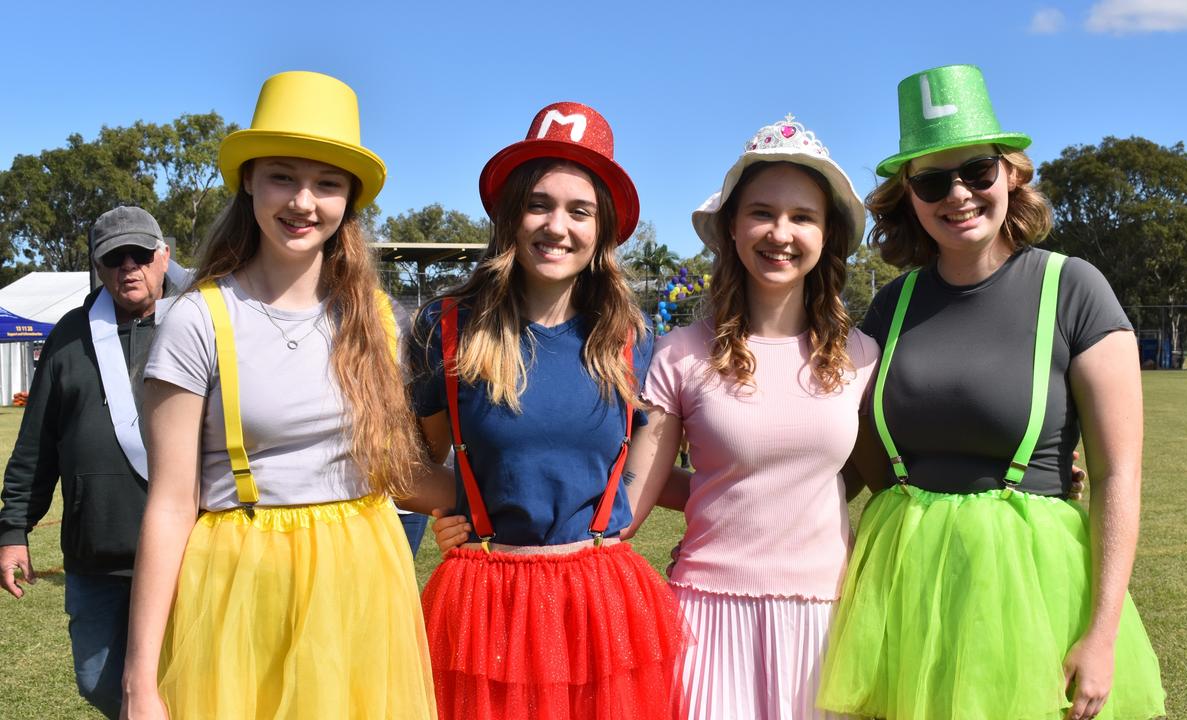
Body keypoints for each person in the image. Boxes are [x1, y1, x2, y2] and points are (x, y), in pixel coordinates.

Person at [817, 64, 1165, 720]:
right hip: (903, 584)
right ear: (909, 195)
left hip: (1028, 591)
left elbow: (1119, 475)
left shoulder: (1074, 288)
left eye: (976, 171)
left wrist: (1103, 633)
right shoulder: (893, 305)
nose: (958, 195)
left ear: (1010, 174)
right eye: (931, 180)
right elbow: (850, 446)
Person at [119, 71, 436, 719]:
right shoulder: (198, 320)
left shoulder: (376, 317)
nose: (303, 201)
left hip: (363, 582)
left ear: (349, 199)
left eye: (327, 183)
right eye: (283, 176)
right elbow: (171, 505)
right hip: (241, 588)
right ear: (249, 183)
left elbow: (395, 472)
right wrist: (139, 682)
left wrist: (486, 501)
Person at [410, 101, 687, 720]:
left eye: (579, 210)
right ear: (511, 217)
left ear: (603, 228)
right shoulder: (447, 328)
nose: (556, 226)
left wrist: (626, 518)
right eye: (539, 204)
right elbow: (419, 459)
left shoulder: (628, 338)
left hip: (599, 601)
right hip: (486, 604)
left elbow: (645, 446)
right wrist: (451, 502)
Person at [629, 116, 878, 720]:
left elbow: (895, 469)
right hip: (707, 614)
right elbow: (636, 493)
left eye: (803, 217)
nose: (780, 233)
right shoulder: (680, 353)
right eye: (762, 213)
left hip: (825, 616)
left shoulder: (862, 357)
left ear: (827, 236)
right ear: (732, 229)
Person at [0, 206, 176, 718]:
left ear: (163, 256)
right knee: (97, 679)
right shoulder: (70, 336)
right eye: (113, 258)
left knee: (181, 684)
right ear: (98, 268)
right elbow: (36, 442)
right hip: (96, 554)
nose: (129, 267)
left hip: (188, 551)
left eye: (140, 254)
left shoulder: (197, 324)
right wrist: (13, 530)